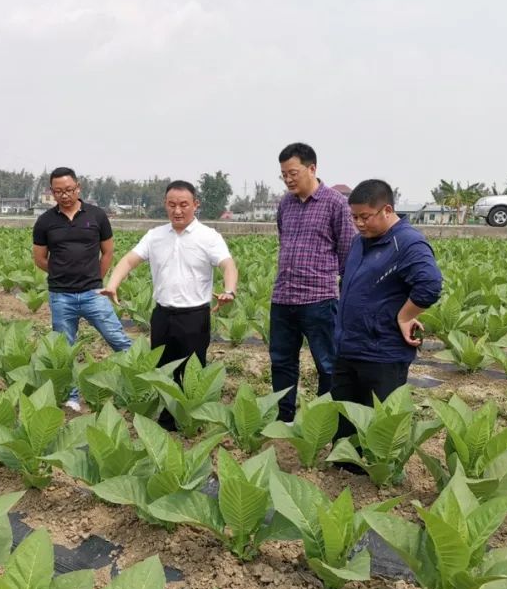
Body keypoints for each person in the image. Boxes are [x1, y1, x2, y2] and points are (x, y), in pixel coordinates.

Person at [101, 180, 238, 431]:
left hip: (194, 316)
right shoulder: (155, 236)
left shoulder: (208, 237)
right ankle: (167, 422)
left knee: (193, 371)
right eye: (172, 205)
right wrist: (113, 283)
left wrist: (229, 290)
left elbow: (227, 264)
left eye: (184, 205)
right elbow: (129, 261)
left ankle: (191, 422)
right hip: (162, 315)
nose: (177, 210)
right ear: (165, 204)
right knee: (164, 370)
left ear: (195, 205)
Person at [332, 178, 443, 437]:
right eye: (354, 217)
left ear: (387, 211)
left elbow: (429, 284)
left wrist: (406, 316)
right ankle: (343, 473)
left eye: (365, 216)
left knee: (378, 429)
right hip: (349, 348)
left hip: (381, 353)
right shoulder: (360, 241)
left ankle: (375, 475)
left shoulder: (407, 243)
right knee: (346, 423)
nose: (358, 223)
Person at [270, 142, 358, 423]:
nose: (288, 179)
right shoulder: (285, 204)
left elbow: (347, 254)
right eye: (283, 174)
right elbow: (284, 240)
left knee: (328, 364)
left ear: (312, 168)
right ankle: (283, 418)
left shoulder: (335, 204)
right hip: (283, 298)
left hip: (319, 299)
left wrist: (346, 300)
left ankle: (324, 420)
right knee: (282, 362)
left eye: (293, 172)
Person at [32, 167, 131, 411]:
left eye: (68, 190)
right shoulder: (45, 221)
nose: (64, 195)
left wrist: (96, 277)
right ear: (51, 193)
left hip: (92, 293)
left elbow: (107, 252)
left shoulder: (96, 216)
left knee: (118, 339)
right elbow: (40, 258)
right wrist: (61, 273)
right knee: (64, 350)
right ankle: (72, 398)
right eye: (58, 192)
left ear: (78, 188)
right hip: (60, 295)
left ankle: (137, 386)